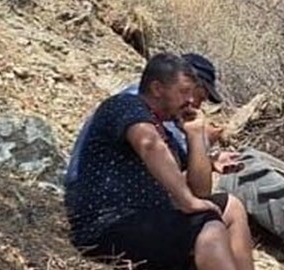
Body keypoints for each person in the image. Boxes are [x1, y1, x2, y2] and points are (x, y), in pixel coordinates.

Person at [65, 53, 284, 270]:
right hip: (106, 223)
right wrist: (187, 201)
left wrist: (194, 137)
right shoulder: (125, 106)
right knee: (207, 225)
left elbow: (200, 189)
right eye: (183, 92)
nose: (191, 101)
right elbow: (148, 145)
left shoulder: (165, 128)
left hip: (141, 220)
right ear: (156, 88)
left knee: (228, 206)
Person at [64, 52, 239, 193]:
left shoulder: (157, 111)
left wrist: (205, 155)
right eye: (190, 93)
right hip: (100, 197)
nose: (195, 104)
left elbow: (177, 168)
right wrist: (202, 141)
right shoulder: (136, 103)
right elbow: (154, 150)